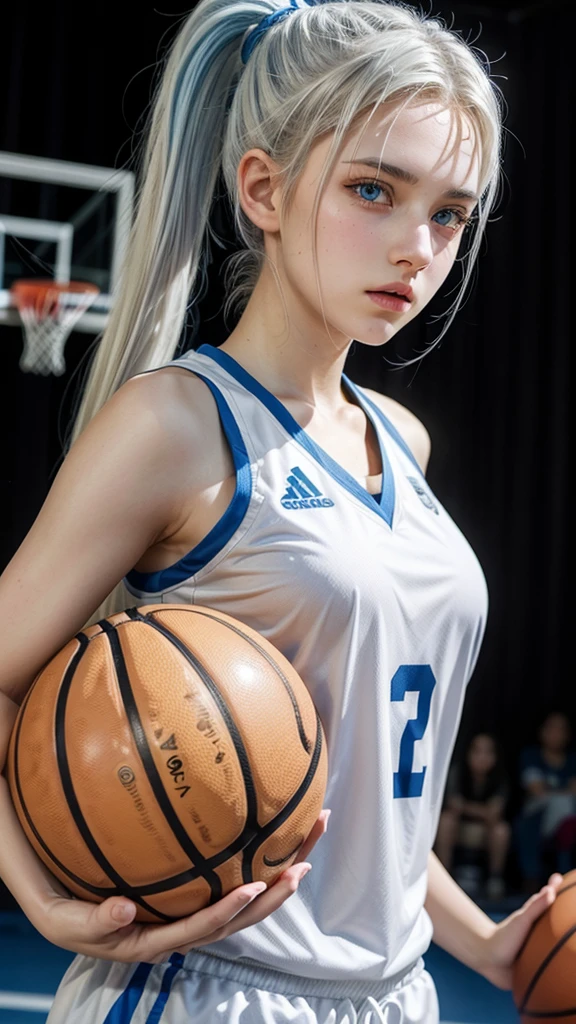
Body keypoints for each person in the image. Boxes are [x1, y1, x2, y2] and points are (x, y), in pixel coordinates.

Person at [0, 1, 565, 1022]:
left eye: (449, 213)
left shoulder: (403, 438)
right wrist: (38, 893)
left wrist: (484, 942)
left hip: (394, 995)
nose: (417, 248)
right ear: (263, 187)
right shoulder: (178, 424)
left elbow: (345, 790)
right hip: (202, 991)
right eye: (373, 190)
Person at [435, 733, 510, 900]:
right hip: (459, 827)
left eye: (488, 752)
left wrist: (466, 807)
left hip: (486, 830)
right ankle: (444, 876)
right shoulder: (457, 772)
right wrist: (481, 810)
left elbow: (494, 813)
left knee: (501, 830)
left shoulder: (499, 778)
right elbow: (453, 806)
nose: (482, 758)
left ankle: (495, 879)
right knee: (446, 821)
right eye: (477, 752)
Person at [514, 712, 576, 892]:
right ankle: (531, 876)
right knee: (557, 807)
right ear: (542, 732)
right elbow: (537, 790)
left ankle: (567, 879)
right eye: (551, 728)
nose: (556, 733)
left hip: (567, 821)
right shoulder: (531, 756)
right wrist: (562, 792)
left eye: (561, 729)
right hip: (536, 818)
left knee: (566, 812)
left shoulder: (572, 760)